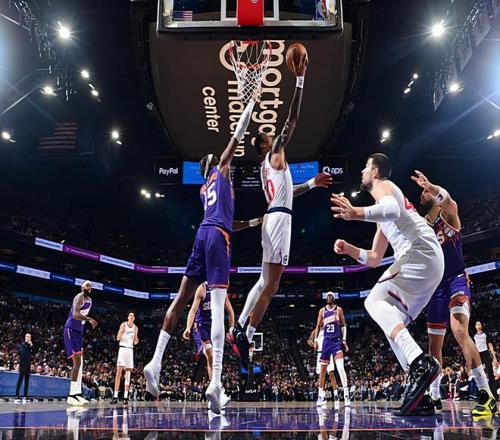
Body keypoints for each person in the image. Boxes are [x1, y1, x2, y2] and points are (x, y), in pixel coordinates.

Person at [143, 92, 260, 414]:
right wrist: (251, 103)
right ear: (215, 165)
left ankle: (155, 362)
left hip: (203, 234)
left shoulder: (204, 189)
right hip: (218, 238)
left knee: (180, 299)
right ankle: (216, 383)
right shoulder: (221, 171)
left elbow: (227, 220)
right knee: (219, 307)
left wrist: (254, 222)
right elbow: (237, 134)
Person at [232, 55, 333, 368]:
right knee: (273, 285)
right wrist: (299, 80)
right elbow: (292, 118)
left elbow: (287, 195)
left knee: (264, 280)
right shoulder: (275, 150)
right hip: (278, 222)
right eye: (267, 134)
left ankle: (239, 326)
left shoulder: (267, 168)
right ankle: (247, 334)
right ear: (265, 144)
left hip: (273, 217)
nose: (271, 133)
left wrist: (312, 184)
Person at [331, 153, 444, 416]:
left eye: (365, 166)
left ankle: (419, 361)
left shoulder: (385, 186)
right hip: (427, 261)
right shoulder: (382, 212)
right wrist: (349, 249)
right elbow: (374, 258)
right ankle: (419, 392)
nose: (362, 171)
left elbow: (391, 209)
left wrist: (355, 212)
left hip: (419, 251)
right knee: (391, 321)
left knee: (373, 301)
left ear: (375, 172)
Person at [413, 170, 498, 416]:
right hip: (436, 286)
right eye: (422, 192)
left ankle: (486, 394)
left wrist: (430, 185)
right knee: (434, 346)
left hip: (456, 279)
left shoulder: (449, 214)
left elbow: (448, 200)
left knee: (460, 330)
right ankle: (434, 395)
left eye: (425, 192)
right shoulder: (421, 227)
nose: (422, 194)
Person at [183, 282, 235, 407]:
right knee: (211, 356)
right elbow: (193, 310)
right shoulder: (202, 288)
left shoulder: (221, 290)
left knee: (217, 359)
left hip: (216, 326)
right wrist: (188, 327)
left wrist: (231, 329)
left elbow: (230, 312)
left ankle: (215, 391)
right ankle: (217, 390)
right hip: (202, 328)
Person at [64, 280, 98, 406]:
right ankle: (71, 395)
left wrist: (86, 321)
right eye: (87, 285)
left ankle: (77, 393)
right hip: (70, 330)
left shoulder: (90, 301)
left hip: (79, 332)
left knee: (81, 363)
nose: (89, 287)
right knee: (77, 362)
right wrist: (89, 319)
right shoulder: (79, 297)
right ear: (82, 287)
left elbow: (81, 317)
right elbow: (75, 314)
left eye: (91, 286)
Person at [313, 292, 350, 407]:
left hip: (336, 342)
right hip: (326, 343)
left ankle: (346, 395)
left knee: (340, 368)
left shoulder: (338, 310)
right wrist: (315, 340)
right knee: (323, 371)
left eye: (331, 296)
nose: (329, 297)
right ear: (326, 299)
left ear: (334, 298)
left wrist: (344, 340)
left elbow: (343, 325)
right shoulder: (322, 311)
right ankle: (320, 396)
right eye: (327, 296)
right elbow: (317, 326)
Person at [111, 311, 139, 405]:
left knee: (128, 374)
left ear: (134, 318)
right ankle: (115, 396)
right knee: (118, 373)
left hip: (130, 350)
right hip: (122, 349)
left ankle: (125, 397)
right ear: (128, 317)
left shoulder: (135, 328)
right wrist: (121, 333)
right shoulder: (123, 325)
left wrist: (136, 340)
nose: (132, 317)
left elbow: (135, 342)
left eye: (133, 316)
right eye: (130, 315)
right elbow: (117, 338)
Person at [307, 326, 339, 407]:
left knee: (331, 373)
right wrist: (312, 343)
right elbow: (309, 341)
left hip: (328, 352)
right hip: (320, 353)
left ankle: (336, 394)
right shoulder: (315, 331)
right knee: (321, 376)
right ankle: (323, 396)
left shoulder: (329, 329)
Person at [474, 321, 497, 399]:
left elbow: (490, 345)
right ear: (475, 327)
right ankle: (482, 395)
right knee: (479, 375)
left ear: (481, 326)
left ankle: (494, 395)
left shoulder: (485, 334)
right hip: (478, 354)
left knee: (490, 374)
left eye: (479, 324)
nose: (478, 325)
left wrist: (494, 357)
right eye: (477, 324)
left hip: (486, 353)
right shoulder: (474, 335)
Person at [14, 333, 32, 403]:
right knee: (20, 380)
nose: (28, 338)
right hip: (22, 365)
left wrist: (31, 346)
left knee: (27, 381)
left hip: (28, 365)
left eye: (29, 337)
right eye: (27, 337)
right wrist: (28, 347)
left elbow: (33, 353)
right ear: (25, 338)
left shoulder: (30, 346)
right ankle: (17, 396)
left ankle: (25, 396)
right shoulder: (22, 345)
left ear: (30, 338)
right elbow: (23, 354)